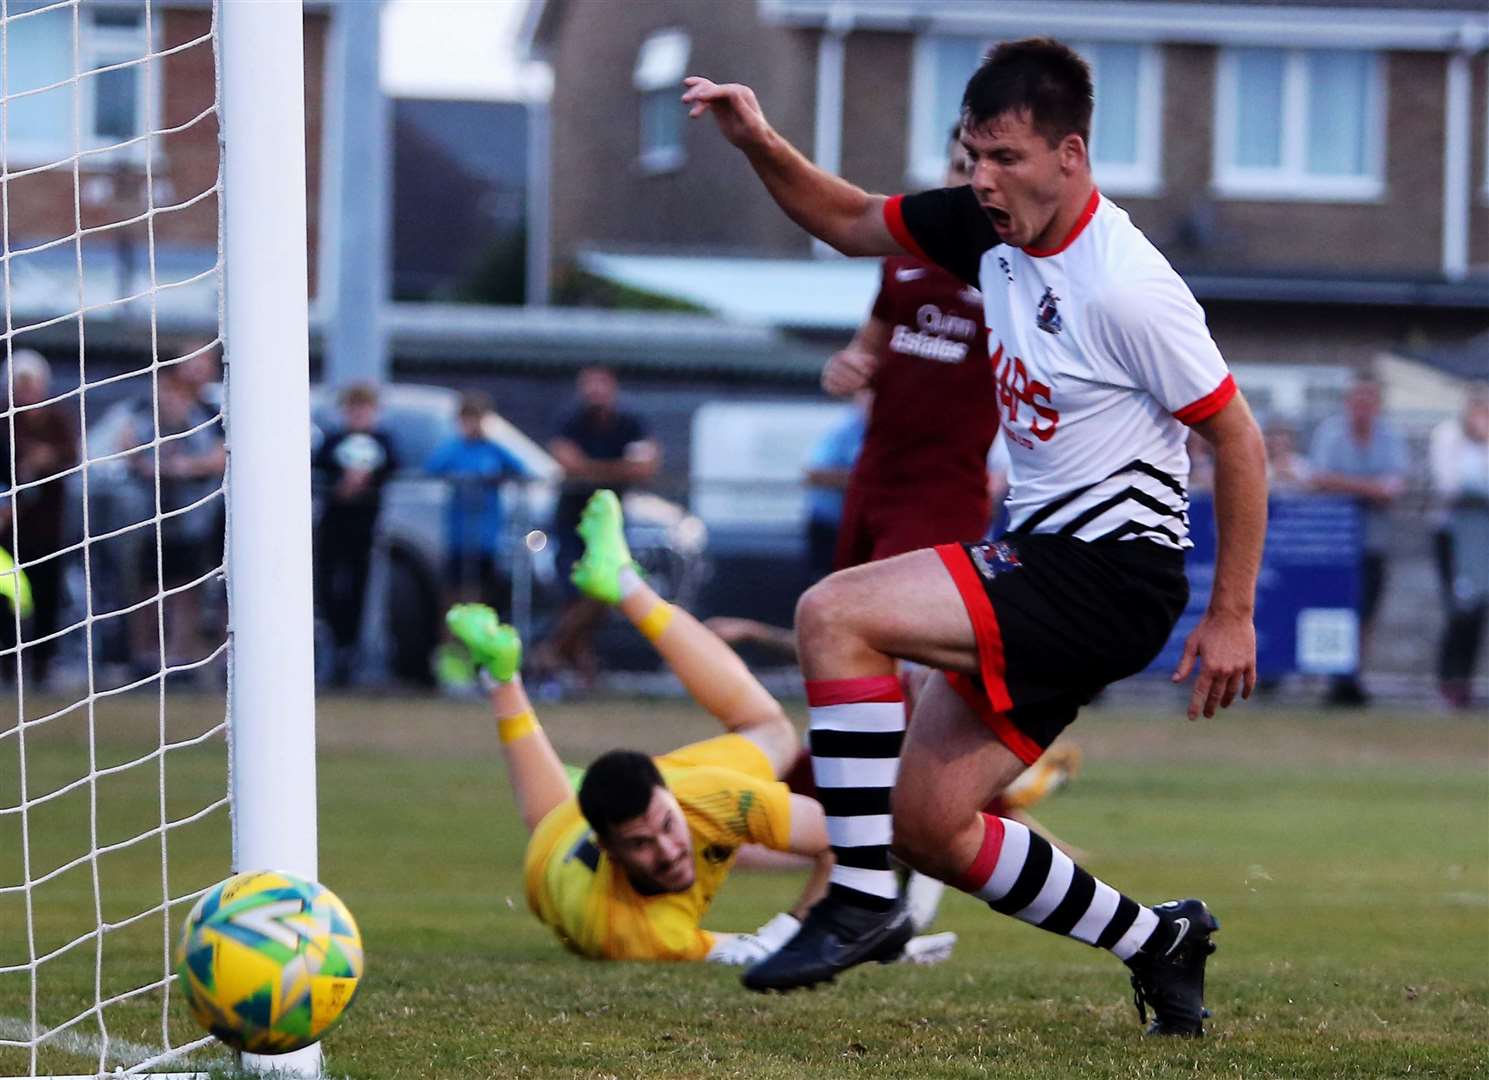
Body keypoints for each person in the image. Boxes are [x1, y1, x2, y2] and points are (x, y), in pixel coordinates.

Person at [685, 36, 1268, 1036]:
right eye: (972, 154)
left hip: (1104, 576)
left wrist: (1232, 614)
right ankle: (1157, 942)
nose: (982, 179)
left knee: (834, 614)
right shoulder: (984, 229)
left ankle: (859, 897)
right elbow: (844, 218)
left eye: (1006, 157)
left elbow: (1238, 438)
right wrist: (756, 140)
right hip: (1045, 563)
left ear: (1070, 156)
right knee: (932, 824)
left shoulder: (1125, 285)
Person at [447, 490, 955, 965]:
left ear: (669, 794)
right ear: (611, 851)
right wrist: (812, 935)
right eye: (643, 845)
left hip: (617, 810)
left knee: (769, 734)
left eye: (667, 827)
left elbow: (849, 840)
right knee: (551, 824)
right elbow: (753, 952)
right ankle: (547, 643)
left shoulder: (702, 797)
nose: (669, 851)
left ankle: (525, 657)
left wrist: (826, 922)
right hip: (553, 861)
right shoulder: (635, 934)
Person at [822, 129, 999, 569]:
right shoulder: (903, 257)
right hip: (873, 476)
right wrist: (847, 369)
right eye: (962, 167)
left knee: (872, 618)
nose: (970, 182)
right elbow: (867, 347)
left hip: (947, 492)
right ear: (944, 172)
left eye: (983, 171)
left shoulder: (1014, 272)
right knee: (840, 620)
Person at [532, 367, 659, 688]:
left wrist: (592, 470)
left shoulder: (630, 422)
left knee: (605, 592)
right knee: (575, 593)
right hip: (573, 521)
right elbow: (568, 463)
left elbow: (646, 466)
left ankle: (552, 652)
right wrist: (617, 471)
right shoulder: (571, 420)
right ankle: (580, 669)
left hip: (610, 523)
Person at [122, 345, 226, 676]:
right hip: (149, 515)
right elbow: (125, 446)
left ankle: (181, 655)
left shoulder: (209, 412)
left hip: (193, 515)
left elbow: (219, 456)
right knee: (148, 587)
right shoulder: (143, 412)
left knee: (187, 585)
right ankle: (145, 656)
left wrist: (183, 467)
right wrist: (147, 463)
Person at [1307, 376, 1407, 706]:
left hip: (1373, 543)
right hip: (1333, 544)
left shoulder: (1390, 438)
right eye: (1357, 400)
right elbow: (1319, 479)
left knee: (1367, 612)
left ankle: (1354, 676)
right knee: (1334, 609)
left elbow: (1394, 488)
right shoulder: (1330, 434)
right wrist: (1368, 488)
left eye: (1369, 401)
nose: (1362, 408)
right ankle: (1333, 676)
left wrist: (1346, 485)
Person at [0, 349, 78, 686]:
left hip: (47, 526)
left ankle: (43, 665)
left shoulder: (57, 420)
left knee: (47, 594)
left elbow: (71, 457)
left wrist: (46, 459)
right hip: (7, 527)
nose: (28, 390)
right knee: (7, 597)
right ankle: (6, 663)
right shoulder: (4, 423)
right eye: (22, 383)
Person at [313, 382, 398, 686]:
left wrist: (365, 481)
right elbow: (319, 469)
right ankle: (332, 645)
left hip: (363, 528)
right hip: (334, 525)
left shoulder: (384, 441)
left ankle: (351, 650)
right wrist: (341, 485)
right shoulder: (333, 440)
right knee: (328, 586)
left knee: (358, 588)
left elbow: (392, 468)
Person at [425, 392, 531, 611]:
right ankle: (451, 641)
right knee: (454, 589)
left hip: (487, 535)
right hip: (459, 535)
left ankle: (479, 635)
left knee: (484, 590)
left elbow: (521, 469)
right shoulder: (454, 448)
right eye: (467, 419)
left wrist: (498, 478)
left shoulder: (493, 449)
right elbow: (432, 467)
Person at [1428, 385, 1489, 709]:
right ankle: (1448, 681)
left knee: (1478, 612)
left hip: (1484, 539)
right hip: (1453, 537)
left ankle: (1466, 682)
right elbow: (1449, 485)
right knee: (1459, 609)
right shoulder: (1448, 436)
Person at [801, 396, 866, 583]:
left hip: (866, 528)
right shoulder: (845, 429)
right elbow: (813, 473)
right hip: (831, 526)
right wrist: (866, 479)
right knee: (828, 584)